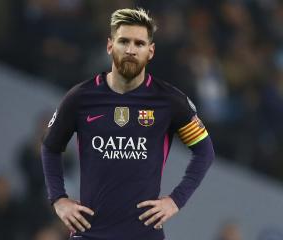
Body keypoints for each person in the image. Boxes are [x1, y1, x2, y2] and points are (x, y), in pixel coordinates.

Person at [41, 8, 215, 240]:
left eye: (139, 43)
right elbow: (50, 147)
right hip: (90, 234)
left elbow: (205, 151)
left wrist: (175, 200)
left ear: (150, 51)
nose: (131, 50)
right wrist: (59, 199)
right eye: (124, 41)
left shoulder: (170, 101)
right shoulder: (81, 97)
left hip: (144, 235)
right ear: (110, 45)